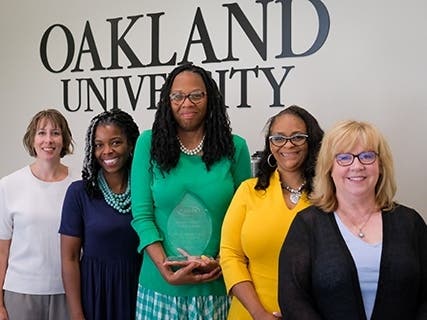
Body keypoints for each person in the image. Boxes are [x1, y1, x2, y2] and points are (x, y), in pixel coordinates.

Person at [130, 63, 251, 319]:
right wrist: (166, 271)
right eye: (178, 96)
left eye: (196, 95)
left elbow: (243, 218)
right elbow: (141, 215)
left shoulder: (235, 148)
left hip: (216, 285)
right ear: (167, 100)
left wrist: (220, 261)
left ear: (210, 99)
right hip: (159, 286)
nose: (187, 103)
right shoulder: (147, 143)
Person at [278, 120, 427, 320]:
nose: (357, 166)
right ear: (329, 168)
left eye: (367, 156)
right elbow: (292, 299)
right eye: (344, 158)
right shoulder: (307, 225)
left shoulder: (410, 223)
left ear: (381, 166)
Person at [220, 105, 324, 319]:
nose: (287, 145)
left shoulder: (328, 197)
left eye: (298, 137)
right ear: (270, 144)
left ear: (311, 142)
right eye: (278, 138)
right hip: (249, 314)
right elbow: (230, 256)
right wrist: (258, 313)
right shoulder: (249, 191)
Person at [59, 109, 142, 320]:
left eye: (115, 142)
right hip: (95, 293)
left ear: (131, 144)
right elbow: (69, 258)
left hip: (139, 289)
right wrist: (77, 314)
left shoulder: (145, 189)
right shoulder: (79, 193)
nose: (107, 151)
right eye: (99, 145)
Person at [0, 109, 75, 320]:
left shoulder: (78, 186)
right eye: (42, 133)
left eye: (56, 133)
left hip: (66, 292)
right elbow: (1, 251)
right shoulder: (8, 185)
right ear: (32, 140)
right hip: (20, 293)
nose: (48, 140)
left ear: (64, 139)